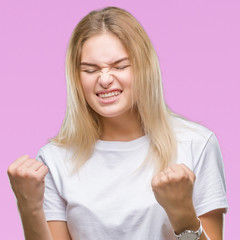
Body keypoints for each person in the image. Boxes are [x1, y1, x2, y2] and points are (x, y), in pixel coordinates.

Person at [7, 6, 228, 240]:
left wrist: (184, 217)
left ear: (145, 66)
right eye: (90, 70)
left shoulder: (196, 144)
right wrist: (28, 206)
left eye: (120, 66)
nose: (104, 79)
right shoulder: (54, 159)